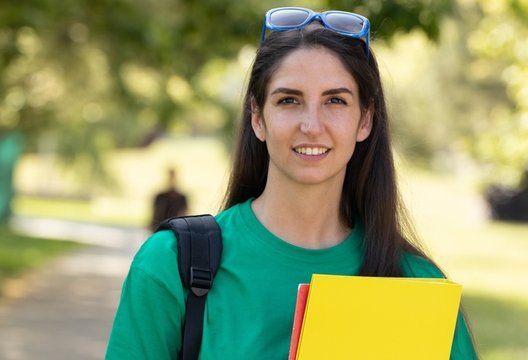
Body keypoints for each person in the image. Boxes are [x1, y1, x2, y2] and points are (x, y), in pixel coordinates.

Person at [106, 7, 478, 359]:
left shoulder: (417, 288)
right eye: (288, 100)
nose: (311, 125)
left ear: (365, 120)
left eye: (335, 100)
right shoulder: (170, 266)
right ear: (257, 117)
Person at [149, 167, 188, 232]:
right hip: (161, 228)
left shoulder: (181, 198)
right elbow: (155, 213)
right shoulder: (160, 197)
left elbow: (184, 213)